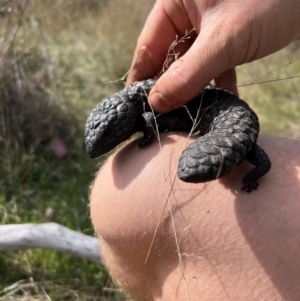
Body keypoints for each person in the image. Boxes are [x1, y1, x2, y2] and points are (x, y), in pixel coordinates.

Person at [90, 1, 300, 300]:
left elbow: (261, 165)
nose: (189, 175)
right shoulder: (241, 147)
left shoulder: (244, 148)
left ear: (229, 159)